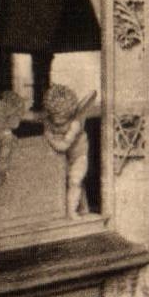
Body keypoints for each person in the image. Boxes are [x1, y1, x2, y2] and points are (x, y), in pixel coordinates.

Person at [42, 81, 96, 218]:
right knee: (74, 183)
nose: (58, 121)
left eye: (61, 117)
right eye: (54, 117)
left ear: (69, 112)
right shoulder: (49, 121)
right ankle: (84, 209)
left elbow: (63, 146)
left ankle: (71, 212)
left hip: (79, 156)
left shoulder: (75, 124)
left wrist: (49, 137)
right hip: (64, 158)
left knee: (75, 181)